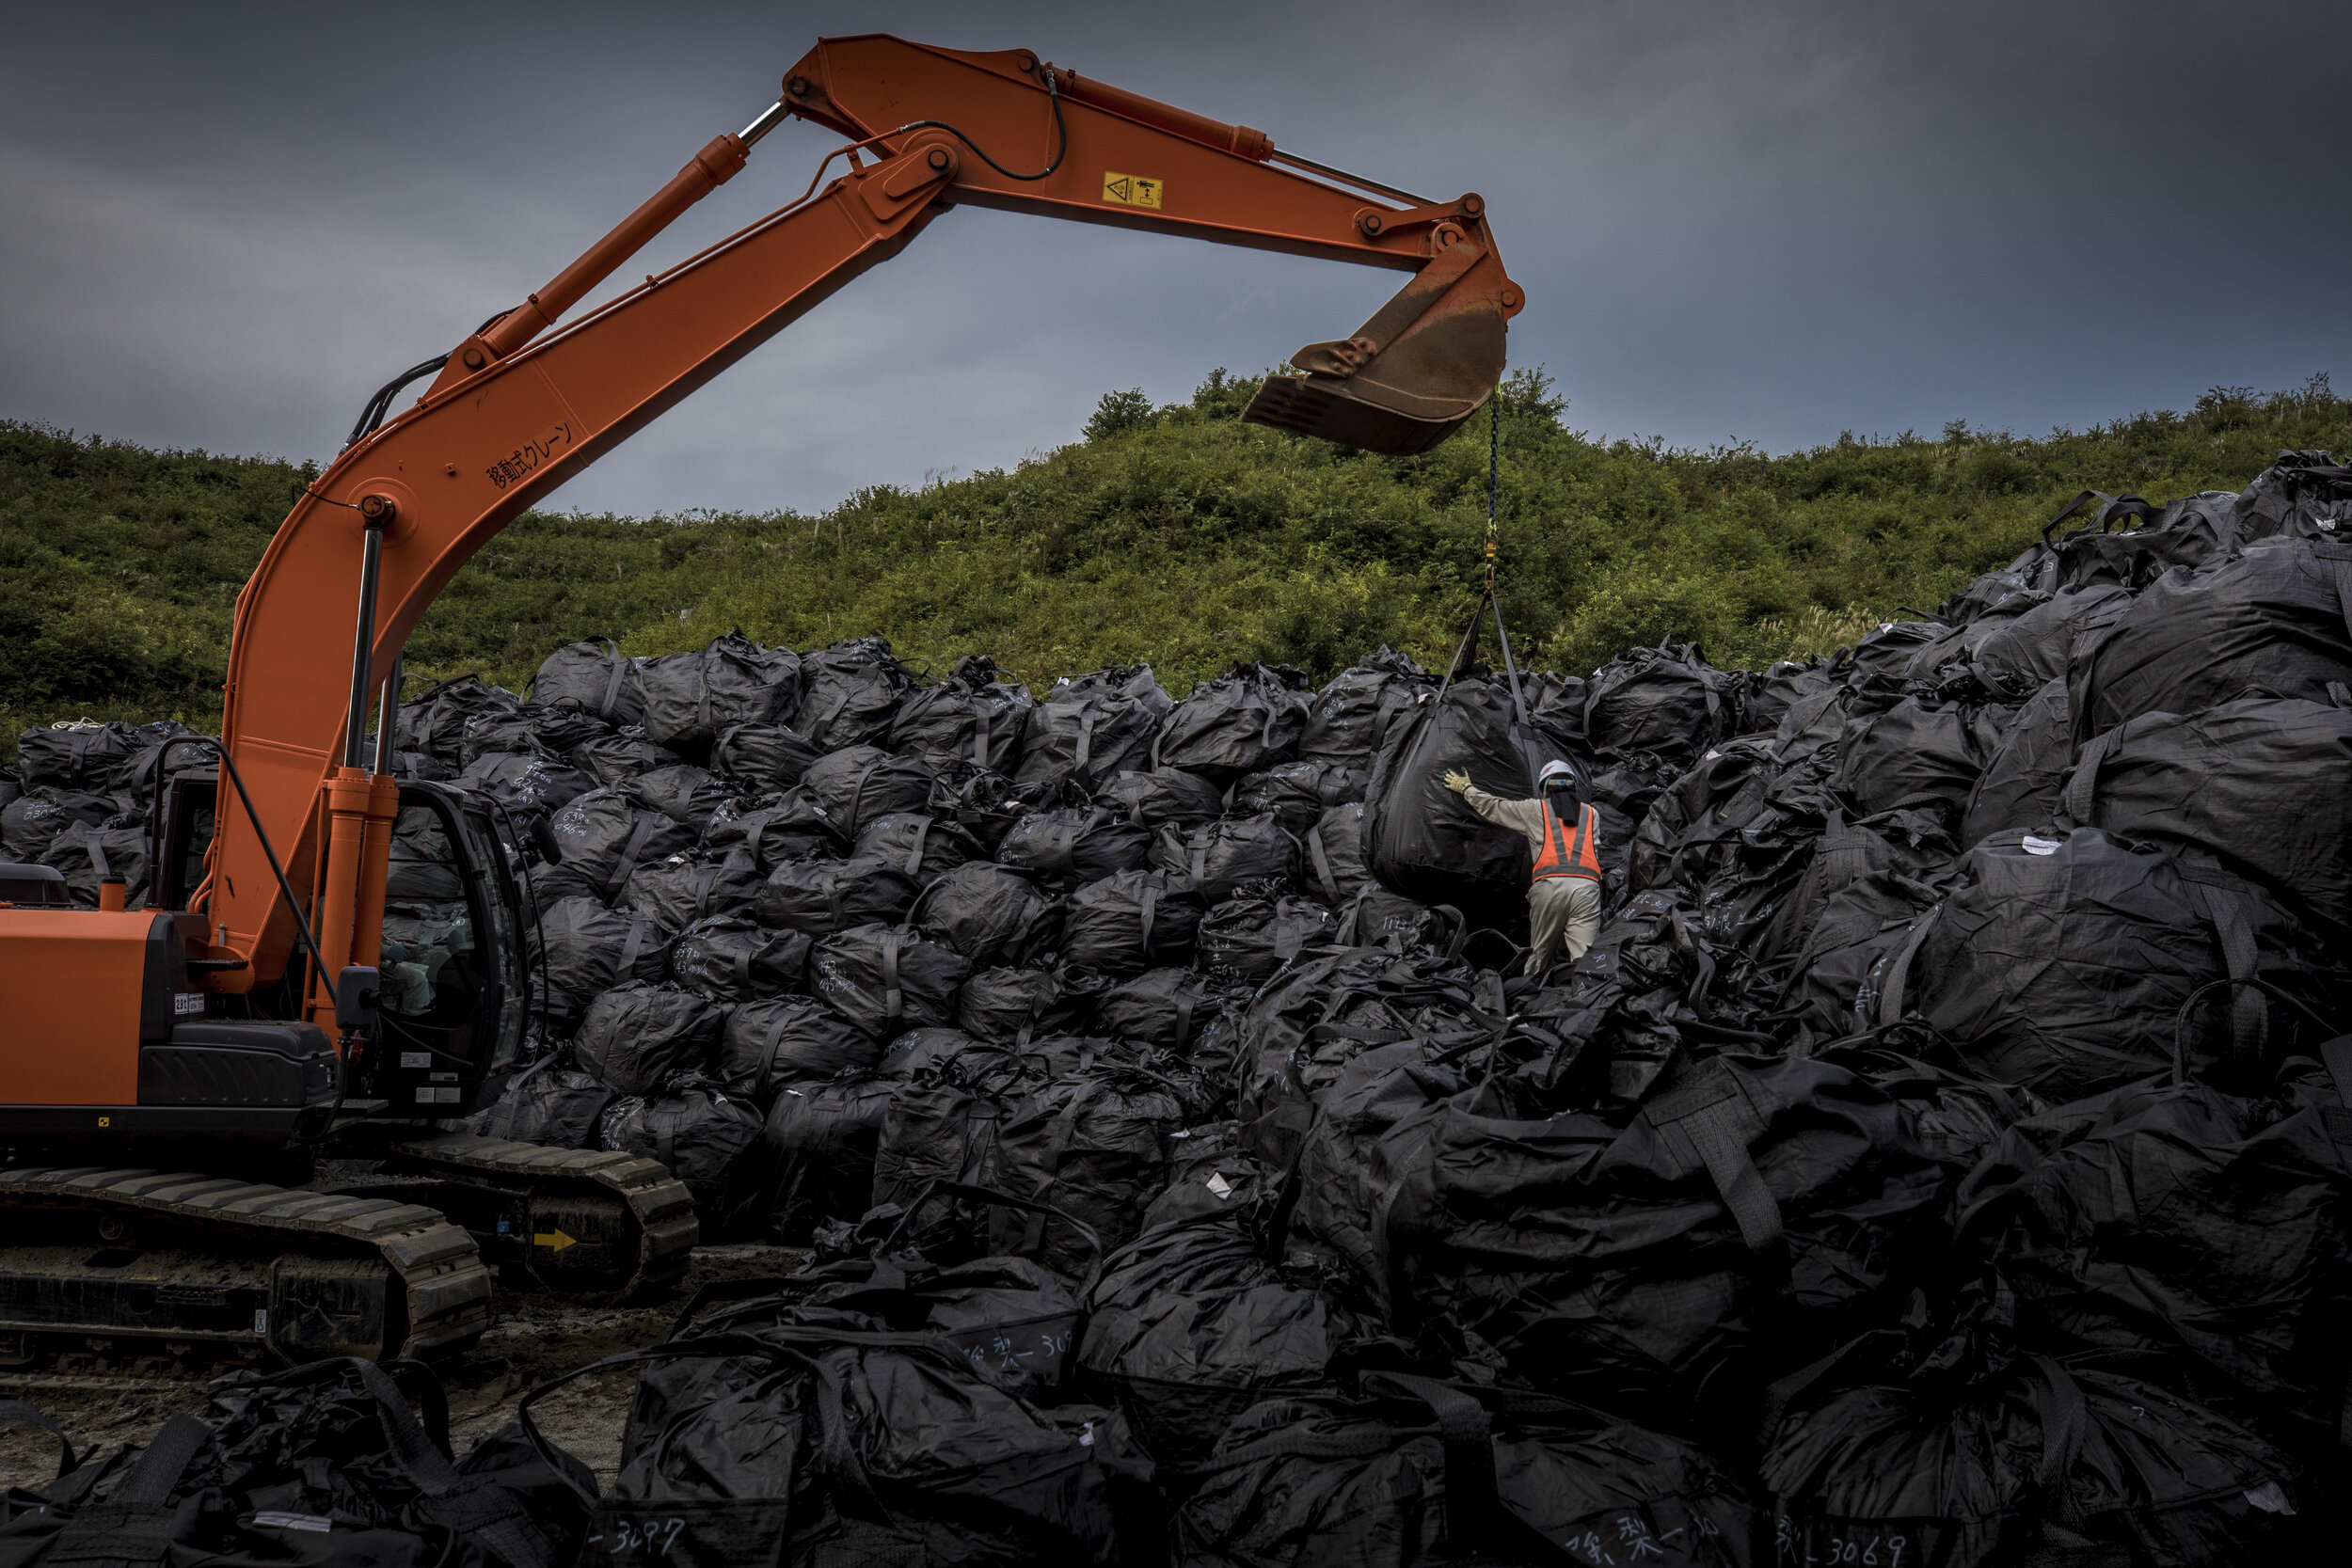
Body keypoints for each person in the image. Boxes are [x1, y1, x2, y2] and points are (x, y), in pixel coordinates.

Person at [1441, 758, 1603, 975]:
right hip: (1587, 890)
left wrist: (1467, 789)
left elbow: (1495, 807)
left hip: (1549, 888)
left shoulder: (1535, 809)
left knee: (1539, 957)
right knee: (1587, 961)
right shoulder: (1593, 815)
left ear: (1544, 789)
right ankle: (1587, 999)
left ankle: (1530, 997)